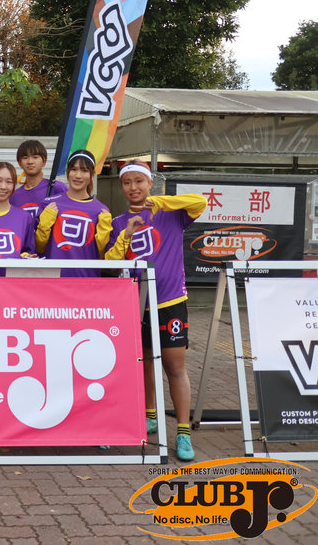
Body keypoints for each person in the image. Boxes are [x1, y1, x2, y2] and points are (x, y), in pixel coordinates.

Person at [106, 160, 208, 461]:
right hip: (136, 304)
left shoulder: (171, 213)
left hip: (170, 301)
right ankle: (150, 416)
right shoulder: (118, 222)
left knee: (175, 367)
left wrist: (162, 202)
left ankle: (183, 432)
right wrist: (126, 235)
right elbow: (110, 263)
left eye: (139, 181)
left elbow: (200, 201)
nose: (133, 188)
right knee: (145, 362)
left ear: (151, 183)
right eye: (127, 182)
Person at [34, 149, 112, 277]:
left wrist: (104, 235)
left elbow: (104, 256)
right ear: (67, 172)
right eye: (74, 169)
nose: (78, 175)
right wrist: (44, 226)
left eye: (84, 170)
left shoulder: (101, 211)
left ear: (92, 175)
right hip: (53, 281)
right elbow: (38, 248)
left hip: (87, 280)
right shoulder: (49, 204)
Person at [10, 139, 68, 219]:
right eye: (25, 157)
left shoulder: (58, 188)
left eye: (35, 157)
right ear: (20, 163)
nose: (30, 161)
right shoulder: (14, 196)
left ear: (44, 162)